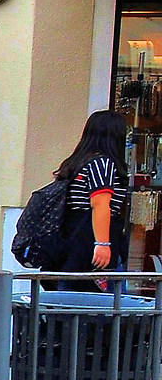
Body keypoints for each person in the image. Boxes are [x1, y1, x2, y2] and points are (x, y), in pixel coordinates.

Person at [56, 109, 128, 280]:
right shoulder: (102, 164)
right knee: (101, 293)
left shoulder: (76, 162)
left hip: (71, 237)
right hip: (91, 240)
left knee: (68, 290)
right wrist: (102, 244)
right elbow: (100, 204)